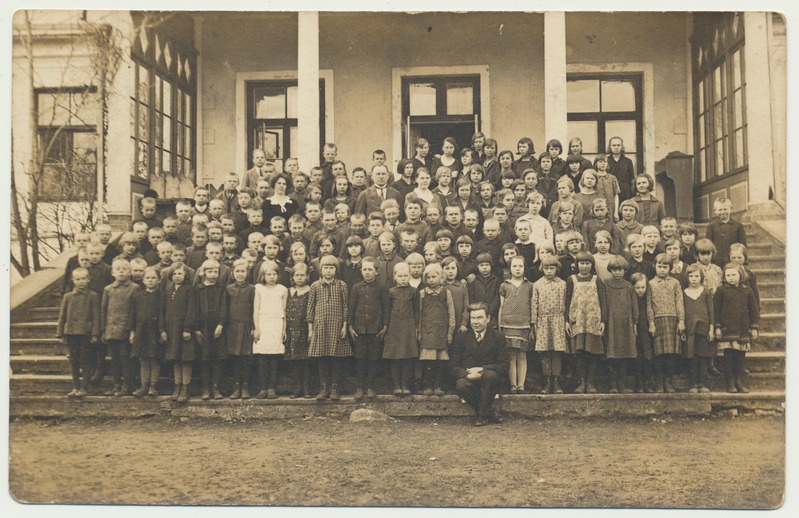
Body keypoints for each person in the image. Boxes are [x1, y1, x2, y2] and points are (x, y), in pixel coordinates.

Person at [450, 303, 510, 426]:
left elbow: (504, 365)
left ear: (488, 319)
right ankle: (489, 413)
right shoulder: (461, 337)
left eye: (479, 318)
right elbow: (453, 365)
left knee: (491, 376)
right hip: (469, 378)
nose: (475, 322)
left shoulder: (498, 337)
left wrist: (482, 370)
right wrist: (466, 374)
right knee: (461, 385)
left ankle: (482, 416)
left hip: (490, 379)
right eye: (473, 318)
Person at [307, 255, 351, 400]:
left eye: (331, 268)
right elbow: (310, 308)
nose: (328, 271)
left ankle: (335, 388)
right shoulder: (315, 286)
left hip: (336, 325)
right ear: (321, 270)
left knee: (336, 357)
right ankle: (324, 388)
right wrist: (310, 329)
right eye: (325, 268)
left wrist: (344, 326)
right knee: (322, 357)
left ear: (336, 270)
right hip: (320, 325)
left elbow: (346, 307)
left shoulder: (341, 285)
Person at [565, 252, 607, 393]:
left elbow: (603, 301)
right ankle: (582, 382)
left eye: (587, 263)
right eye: (582, 263)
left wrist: (603, 321)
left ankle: (591, 383)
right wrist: (566, 320)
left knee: (592, 352)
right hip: (577, 322)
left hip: (593, 322)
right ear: (577, 265)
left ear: (592, 265)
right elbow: (567, 300)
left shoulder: (597, 280)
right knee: (580, 353)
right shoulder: (571, 280)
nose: (584, 266)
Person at [348, 256, 390, 399]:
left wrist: (385, 326)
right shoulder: (356, 288)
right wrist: (350, 326)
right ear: (361, 271)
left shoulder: (382, 288)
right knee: (360, 359)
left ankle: (371, 386)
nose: (367, 272)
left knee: (373, 359)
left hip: (376, 330)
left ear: (376, 271)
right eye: (364, 269)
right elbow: (351, 308)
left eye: (370, 269)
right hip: (359, 329)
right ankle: (359, 387)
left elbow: (386, 308)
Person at [714, 262, 759, 393]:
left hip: (743, 329)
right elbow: (716, 310)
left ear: (740, 275)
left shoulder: (747, 290)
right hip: (727, 330)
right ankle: (730, 383)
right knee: (728, 357)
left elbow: (753, 310)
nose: (731, 277)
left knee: (740, 358)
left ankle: (739, 382)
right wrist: (717, 327)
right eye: (728, 275)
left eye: (734, 274)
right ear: (724, 276)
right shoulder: (721, 290)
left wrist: (754, 327)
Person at [57, 267, 101, 397]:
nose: (81, 281)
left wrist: (95, 334)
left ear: (88, 279)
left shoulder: (93, 296)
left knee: (86, 361)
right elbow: (62, 316)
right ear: (73, 280)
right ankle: (75, 387)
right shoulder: (68, 297)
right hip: (71, 333)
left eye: (83, 279)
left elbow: (96, 317)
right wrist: (60, 333)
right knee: (74, 362)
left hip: (86, 334)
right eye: (78, 279)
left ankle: (84, 387)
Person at [647, 253, 686, 393]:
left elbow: (679, 302)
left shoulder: (675, 283)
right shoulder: (650, 284)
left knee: (670, 353)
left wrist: (681, 321)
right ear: (655, 267)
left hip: (673, 320)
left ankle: (668, 381)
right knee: (659, 354)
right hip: (658, 321)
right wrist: (651, 323)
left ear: (670, 268)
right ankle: (659, 381)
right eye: (659, 266)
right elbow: (649, 305)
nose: (662, 269)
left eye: (665, 267)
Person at [101, 259, 140, 397]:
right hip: (111, 330)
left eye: (124, 269)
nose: (121, 271)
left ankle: (128, 385)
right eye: (118, 269)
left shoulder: (134, 288)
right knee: (114, 358)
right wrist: (103, 330)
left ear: (130, 272)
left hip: (125, 330)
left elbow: (135, 311)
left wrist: (132, 330)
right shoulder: (108, 289)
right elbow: (103, 310)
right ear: (112, 272)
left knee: (126, 358)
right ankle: (116, 385)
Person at [418, 263, 456, 396]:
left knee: (440, 361)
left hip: (441, 332)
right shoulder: (422, 293)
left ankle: (438, 385)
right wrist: (419, 332)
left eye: (434, 277)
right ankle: (427, 386)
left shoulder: (446, 293)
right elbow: (419, 314)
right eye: (428, 277)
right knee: (428, 360)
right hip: (427, 331)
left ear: (441, 278)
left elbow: (451, 313)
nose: (431, 280)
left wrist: (450, 332)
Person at [531, 256, 568, 394]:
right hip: (543, 321)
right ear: (542, 269)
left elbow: (566, 303)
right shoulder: (537, 285)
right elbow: (534, 304)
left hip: (558, 320)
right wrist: (534, 323)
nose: (549, 271)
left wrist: (565, 321)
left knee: (557, 352)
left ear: (556, 269)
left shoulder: (562, 284)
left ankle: (556, 382)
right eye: (546, 268)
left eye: (552, 268)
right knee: (545, 353)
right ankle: (547, 382)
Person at [253, 260, 288, 399]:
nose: (271, 277)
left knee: (274, 357)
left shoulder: (283, 289)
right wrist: (257, 328)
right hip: (263, 323)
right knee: (262, 357)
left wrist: (284, 329)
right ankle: (263, 388)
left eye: (274, 274)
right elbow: (256, 309)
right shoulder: (258, 288)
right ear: (263, 275)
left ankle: (271, 388)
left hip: (277, 324)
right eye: (268, 274)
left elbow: (284, 311)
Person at [193, 260, 228, 400]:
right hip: (203, 329)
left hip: (217, 329)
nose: (213, 274)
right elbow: (194, 310)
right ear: (203, 272)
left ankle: (215, 387)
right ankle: (205, 389)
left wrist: (220, 325)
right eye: (210, 271)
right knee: (204, 359)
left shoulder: (221, 289)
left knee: (217, 359)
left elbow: (224, 308)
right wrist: (196, 329)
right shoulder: (198, 289)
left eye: (216, 272)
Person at [161, 264, 196, 403]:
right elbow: (163, 311)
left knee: (185, 358)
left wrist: (187, 328)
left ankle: (185, 387)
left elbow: (191, 310)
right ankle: (177, 386)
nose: (177, 276)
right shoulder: (168, 290)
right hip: (171, 330)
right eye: (174, 274)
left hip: (183, 330)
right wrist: (162, 330)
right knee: (175, 358)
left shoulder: (189, 290)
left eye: (180, 274)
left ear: (186, 275)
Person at [604, 255, 638, 394]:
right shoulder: (605, 284)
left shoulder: (629, 286)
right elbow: (603, 303)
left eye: (620, 269)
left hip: (626, 324)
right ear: (610, 270)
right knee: (612, 353)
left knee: (625, 353)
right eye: (614, 269)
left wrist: (635, 321)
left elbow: (634, 305)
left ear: (624, 270)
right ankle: (612, 384)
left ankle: (621, 383)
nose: (617, 272)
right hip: (611, 324)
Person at [499, 255, 533, 393]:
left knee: (522, 356)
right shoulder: (504, 285)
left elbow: (532, 305)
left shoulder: (530, 285)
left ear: (525, 268)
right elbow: (501, 306)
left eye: (520, 266)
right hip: (508, 324)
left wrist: (532, 325)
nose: (518, 269)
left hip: (524, 324)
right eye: (514, 266)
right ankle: (513, 385)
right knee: (511, 355)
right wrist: (500, 324)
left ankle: (521, 385)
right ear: (510, 268)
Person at [129, 267, 163, 397]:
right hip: (141, 331)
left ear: (159, 280)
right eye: (148, 278)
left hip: (155, 332)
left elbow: (163, 314)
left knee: (154, 359)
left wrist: (162, 331)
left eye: (153, 278)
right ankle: (144, 386)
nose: (150, 280)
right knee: (143, 359)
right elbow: (133, 315)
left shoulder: (162, 296)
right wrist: (132, 332)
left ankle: (153, 386)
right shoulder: (138, 296)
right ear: (143, 280)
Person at [683, 263, 715, 394]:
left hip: (704, 328)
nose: (694, 279)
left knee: (702, 356)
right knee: (692, 356)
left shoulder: (706, 292)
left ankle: (702, 382)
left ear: (701, 277)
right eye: (691, 276)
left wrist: (711, 328)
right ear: (687, 278)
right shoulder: (684, 293)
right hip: (690, 328)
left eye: (696, 276)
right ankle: (693, 383)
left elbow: (711, 311)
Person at [226, 259, 255, 400]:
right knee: (236, 357)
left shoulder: (252, 289)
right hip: (232, 327)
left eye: (243, 271)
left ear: (247, 273)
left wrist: (254, 327)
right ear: (232, 273)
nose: (240, 274)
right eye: (237, 271)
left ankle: (246, 386)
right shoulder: (229, 289)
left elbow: (255, 310)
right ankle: (236, 386)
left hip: (246, 326)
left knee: (246, 357)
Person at [284, 263, 312, 398]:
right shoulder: (288, 291)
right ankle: (298, 387)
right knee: (294, 359)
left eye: (302, 275)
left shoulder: (310, 291)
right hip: (291, 329)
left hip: (305, 329)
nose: (300, 278)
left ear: (307, 277)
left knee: (305, 360)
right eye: (297, 275)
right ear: (292, 277)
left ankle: (306, 387)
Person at [630, 273, 655, 392]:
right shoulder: (631, 299)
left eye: (642, 287)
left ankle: (647, 383)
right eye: (637, 288)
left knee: (648, 356)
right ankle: (639, 384)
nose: (640, 290)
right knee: (637, 357)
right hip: (635, 330)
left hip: (646, 329)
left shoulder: (648, 300)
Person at [705, 197, 747, 267]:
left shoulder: (738, 226)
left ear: (731, 208)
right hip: (716, 261)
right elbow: (708, 245)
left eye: (725, 209)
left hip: (733, 261)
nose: (723, 212)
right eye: (720, 210)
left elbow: (743, 246)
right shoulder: (711, 226)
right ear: (715, 210)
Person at [467, 253, 501, 327]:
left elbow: (497, 298)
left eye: (487, 265)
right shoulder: (474, 281)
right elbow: (471, 297)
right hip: (477, 313)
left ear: (491, 266)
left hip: (492, 315)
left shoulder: (497, 280)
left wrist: (489, 311)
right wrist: (476, 309)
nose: (484, 267)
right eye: (481, 265)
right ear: (477, 267)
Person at [607, 136, 636, 205]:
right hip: (610, 192)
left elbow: (631, 178)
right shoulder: (606, 161)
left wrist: (632, 193)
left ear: (622, 147)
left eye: (618, 145)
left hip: (625, 193)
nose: (616, 147)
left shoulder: (628, 161)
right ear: (610, 147)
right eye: (614, 145)